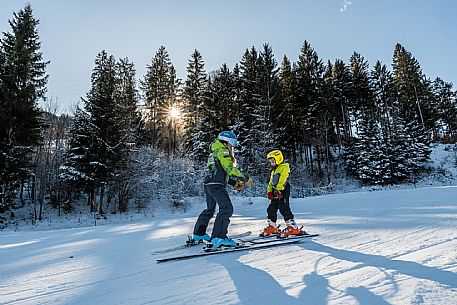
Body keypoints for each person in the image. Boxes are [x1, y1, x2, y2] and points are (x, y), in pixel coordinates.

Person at [192, 131, 253, 248]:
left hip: (209, 184)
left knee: (210, 210)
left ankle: (199, 234)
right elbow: (229, 169)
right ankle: (219, 237)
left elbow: (219, 172)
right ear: (227, 141)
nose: (233, 146)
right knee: (226, 209)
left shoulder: (214, 152)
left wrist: (234, 183)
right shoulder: (223, 151)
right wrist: (246, 178)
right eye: (232, 143)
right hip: (216, 185)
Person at [261, 149, 306, 237]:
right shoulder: (273, 170)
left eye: (273, 161)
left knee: (284, 207)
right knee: (271, 209)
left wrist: (279, 189)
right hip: (275, 191)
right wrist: (269, 191)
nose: (271, 163)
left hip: (283, 190)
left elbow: (283, 179)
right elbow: (270, 182)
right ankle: (272, 226)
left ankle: (292, 227)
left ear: (278, 159)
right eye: (270, 162)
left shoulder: (284, 167)